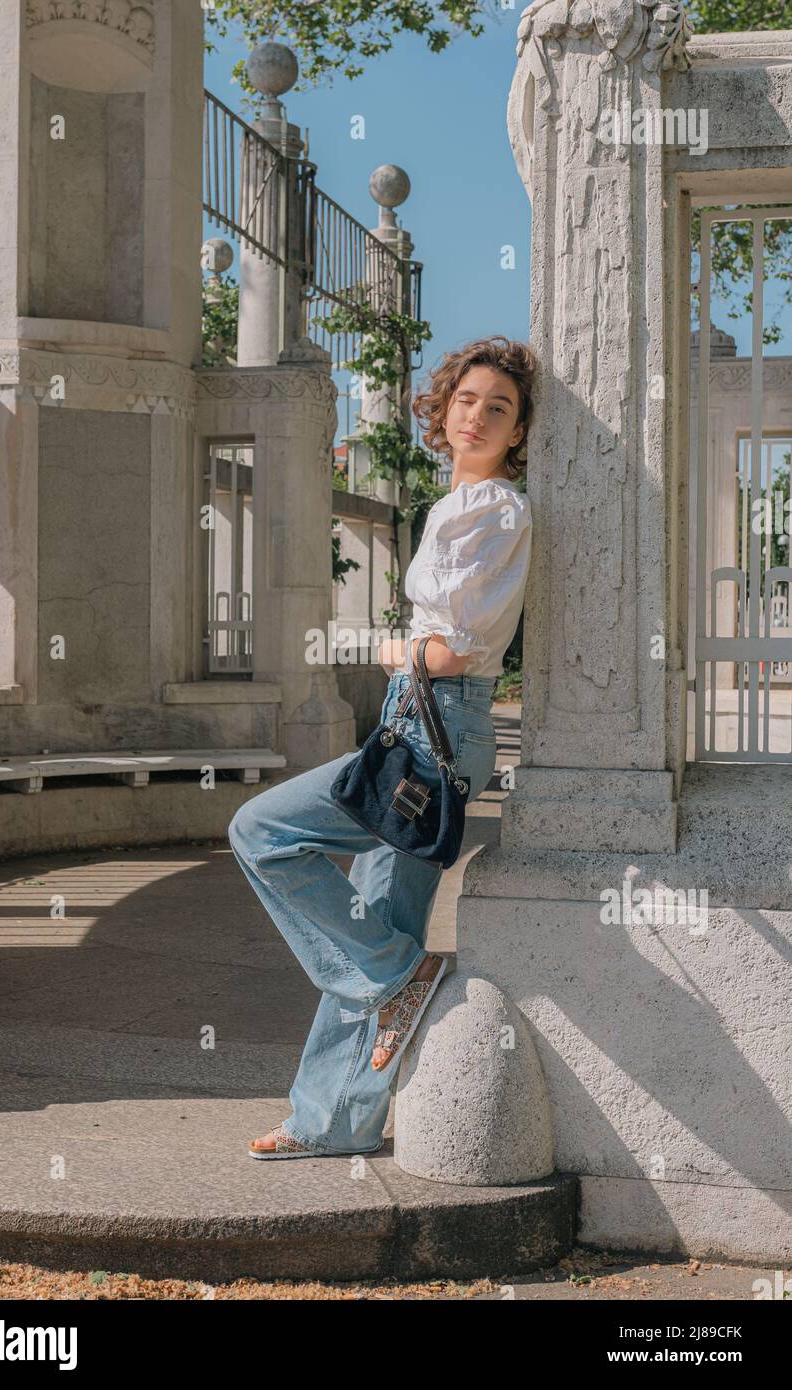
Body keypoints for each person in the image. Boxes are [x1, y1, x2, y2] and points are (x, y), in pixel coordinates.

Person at [228, 335, 536, 1158]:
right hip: (420, 720)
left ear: (518, 432)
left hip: (439, 721)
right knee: (368, 924)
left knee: (262, 830)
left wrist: (379, 648)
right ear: (443, 407)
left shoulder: (499, 510)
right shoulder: (455, 503)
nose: (476, 415)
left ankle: (402, 976)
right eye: (466, 399)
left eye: (498, 408)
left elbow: (457, 651)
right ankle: (334, 1120)